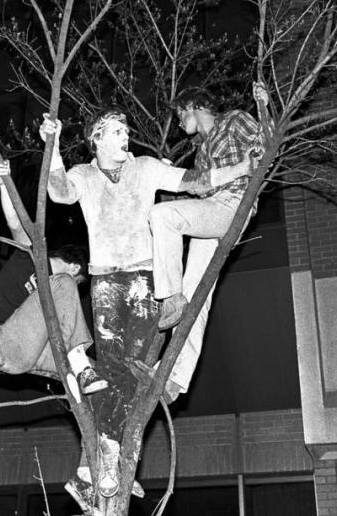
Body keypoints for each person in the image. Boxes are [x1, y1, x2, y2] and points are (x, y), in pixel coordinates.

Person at [42, 108, 253, 498]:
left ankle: (102, 461)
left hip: (145, 280)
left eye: (126, 130)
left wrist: (241, 168)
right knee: (110, 370)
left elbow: (194, 182)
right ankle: (100, 464)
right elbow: (58, 192)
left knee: (130, 371)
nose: (125, 136)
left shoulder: (146, 167)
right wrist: (51, 147)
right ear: (97, 139)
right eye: (117, 131)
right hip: (105, 280)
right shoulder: (84, 175)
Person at [146, 82, 268, 403]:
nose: (178, 123)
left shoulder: (235, 120)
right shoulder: (201, 150)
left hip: (233, 205)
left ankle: (169, 298)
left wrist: (264, 106)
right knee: (196, 295)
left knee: (162, 216)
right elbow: (200, 189)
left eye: (179, 116)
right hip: (212, 212)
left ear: (193, 106)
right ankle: (173, 380)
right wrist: (172, 177)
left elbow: (267, 144)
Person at [0, 157, 106, 396]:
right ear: (76, 268)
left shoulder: (46, 300)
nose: (70, 297)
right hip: (3, 342)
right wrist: (5, 184)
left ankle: (80, 376)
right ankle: (77, 361)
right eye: (78, 285)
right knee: (62, 285)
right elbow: (15, 224)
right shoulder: (34, 256)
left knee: (97, 371)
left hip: (26, 354)